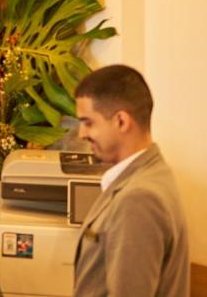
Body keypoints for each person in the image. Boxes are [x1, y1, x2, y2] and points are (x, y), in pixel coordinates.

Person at [73, 65, 189, 297]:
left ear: (121, 121)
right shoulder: (151, 174)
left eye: (88, 123)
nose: (81, 134)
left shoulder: (139, 199)